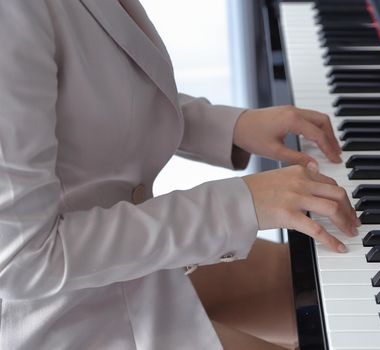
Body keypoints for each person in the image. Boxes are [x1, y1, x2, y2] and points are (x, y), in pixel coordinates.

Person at [0, 1, 360, 349]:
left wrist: (226, 126)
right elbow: (23, 261)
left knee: (345, 286)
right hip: (57, 314)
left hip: (124, 264)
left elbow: (80, 94)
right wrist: (240, 203)